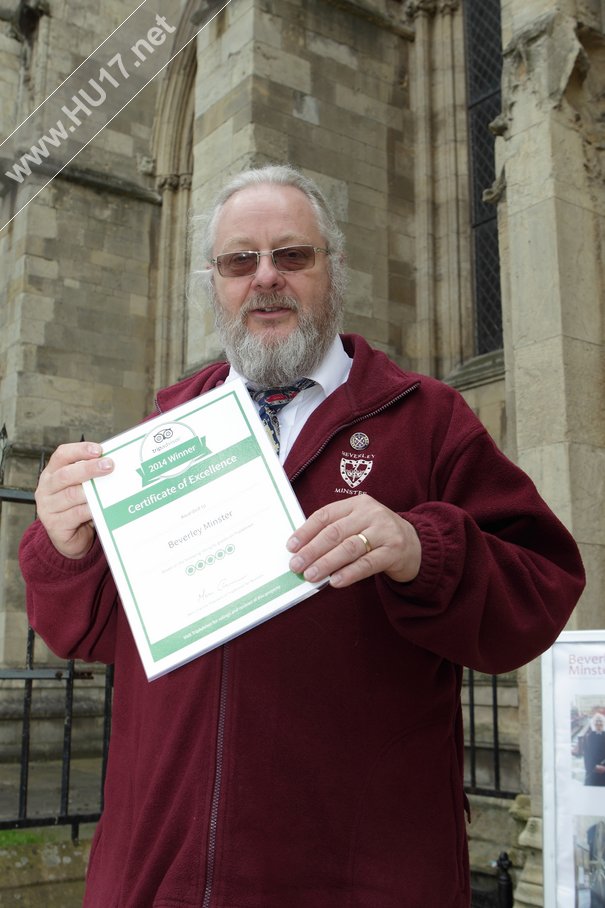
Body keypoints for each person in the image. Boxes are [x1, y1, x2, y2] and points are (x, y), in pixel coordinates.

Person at [20, 164, 585, 908]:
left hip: (356, 876)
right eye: (238, 261)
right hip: (162, 873)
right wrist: (64, 547)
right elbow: (86, 632)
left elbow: (541, 589)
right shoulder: (158, 436)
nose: (265, 279)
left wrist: (423, 551)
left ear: (332, 270)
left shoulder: (426, 419)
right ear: (214, 284)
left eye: (292, 256)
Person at [584, 714, 605, 786]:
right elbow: (587, 755)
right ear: (593, 724)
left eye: (600, 722)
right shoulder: (589, 737)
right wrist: (593, 767)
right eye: (596, 722)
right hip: (593, 771)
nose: (599, 724)